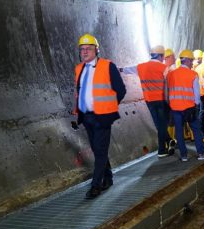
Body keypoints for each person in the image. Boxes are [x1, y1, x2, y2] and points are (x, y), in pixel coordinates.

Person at [73, 34, 126, 199]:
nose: (85, 51)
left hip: (103, 116)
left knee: (101, 151)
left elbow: (121, 89)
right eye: (82, 49)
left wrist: (109, 107)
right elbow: (79, 91)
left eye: (88, 48)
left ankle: (95, 186)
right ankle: (108, 177)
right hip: (87, 117)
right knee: (98, 150)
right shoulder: (79, 68)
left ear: (96, 49)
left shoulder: (108, 66)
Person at [120, 45, 170, 157]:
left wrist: (119, 69)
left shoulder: (141, 67)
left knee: (158, 124)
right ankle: (162, 150)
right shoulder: (163, 68)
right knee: (162, 125)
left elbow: (127, 69)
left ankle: (170, 141)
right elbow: (168, 84)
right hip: (161, 100)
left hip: (149, 101)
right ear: (161, 56)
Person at [165, 49, 204, 162]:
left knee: (179, 132)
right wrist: (196, 105)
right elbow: (196, 93)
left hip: (175, 108)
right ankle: (201, 153)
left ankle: (184, 156)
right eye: (191, 61)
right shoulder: (192, 74)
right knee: (196, 130)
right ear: (188, 61)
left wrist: (170, 103)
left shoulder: (170, 74)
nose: (192, 63)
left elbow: (167, 91)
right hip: (189, 107)